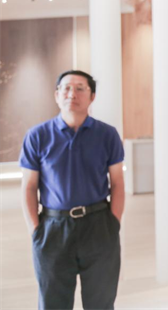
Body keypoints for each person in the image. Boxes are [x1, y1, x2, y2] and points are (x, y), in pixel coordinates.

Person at [19, 70, 125, 310]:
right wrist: (35, 230)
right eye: (66, 88)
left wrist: (114, 223)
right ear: (56, 95)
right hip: (53, 228)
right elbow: (29, 186)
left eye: (80, 88)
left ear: (92, 96)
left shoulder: (107, 134)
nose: (72, 94)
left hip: (99, 225)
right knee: (53, 303)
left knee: (101, 303)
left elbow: (117, 182)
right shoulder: (37, 136)